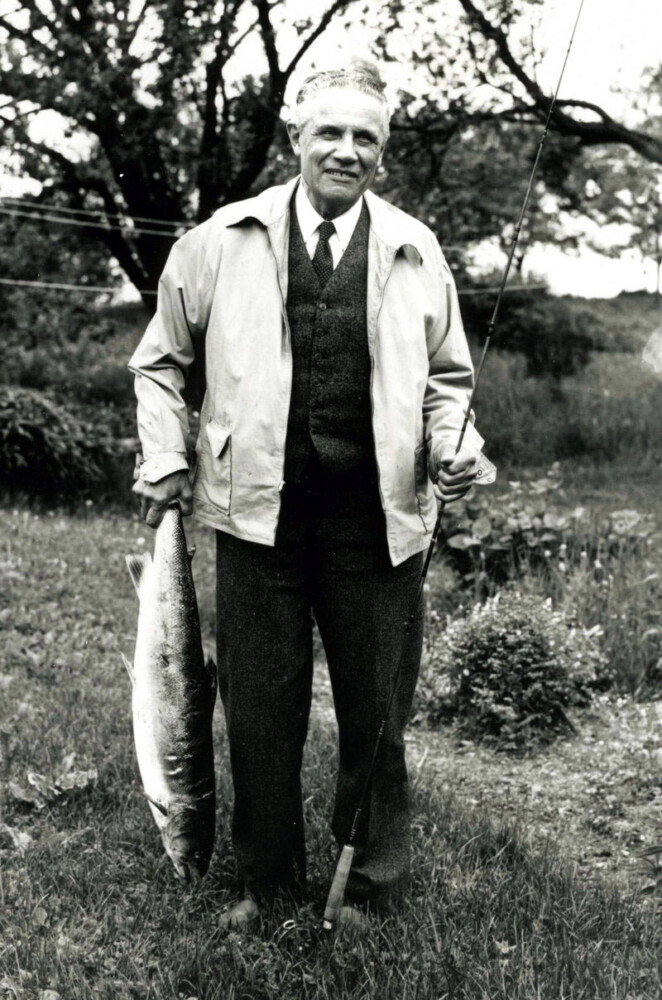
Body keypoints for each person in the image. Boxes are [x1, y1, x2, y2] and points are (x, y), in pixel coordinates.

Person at [129, 64, 485, 929]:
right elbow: (159, 363)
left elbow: (448, 377)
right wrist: (165, 456)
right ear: (297, 138)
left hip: (380, 522)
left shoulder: (414, 246)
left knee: (377, 718)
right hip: (258, 515)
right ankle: (265, 881)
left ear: (383, 155)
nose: (346, 150)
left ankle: (368, 887)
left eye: (365, 138)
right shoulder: (219, 239)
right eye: (330, 132)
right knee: (258, 708)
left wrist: (454, 443)